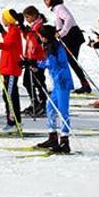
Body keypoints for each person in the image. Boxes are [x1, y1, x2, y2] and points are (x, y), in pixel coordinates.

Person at [30, 25, 74, 153]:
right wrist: (34, 63)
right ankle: (52, 137)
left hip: (62, 82)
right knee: (50, 107)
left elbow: (52, 63)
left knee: (63, 111)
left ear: (45, 37)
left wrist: (37, 64)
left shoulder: (53, 47)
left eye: (40, 36)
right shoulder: (51, 45)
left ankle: (65, 141)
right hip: (57, 83)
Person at [43, 0, 90, 94]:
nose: (45, 2)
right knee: (70, 61)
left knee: (70, 60)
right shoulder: (56, 9)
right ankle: (83, 84)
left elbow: (68, 19)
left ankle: (81, 84)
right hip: (69, 36)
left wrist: (62, 32)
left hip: (72, 36)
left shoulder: (59, 8)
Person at [21, 6, 48, 117]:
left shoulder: (39, 26)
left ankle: (43, 103)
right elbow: (28, 38)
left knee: (38, 81)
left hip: (37, 58)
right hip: (30, 57)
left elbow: (39, 41)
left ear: (33, 16)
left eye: (27, 17)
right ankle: (35, 102)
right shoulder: (33, 26)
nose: (26, 19)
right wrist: (24, 30)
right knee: (27, 81)